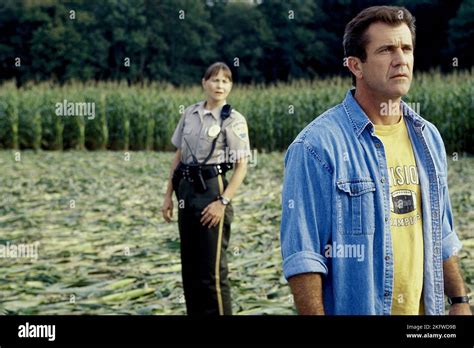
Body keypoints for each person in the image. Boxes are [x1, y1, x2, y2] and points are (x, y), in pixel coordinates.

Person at [280, 6, 471, 315]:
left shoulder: (428, 137)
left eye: (406, 48)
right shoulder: (316, 146)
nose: (401, 59)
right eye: (386, 50)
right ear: (356, 65)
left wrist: (460, 300)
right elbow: (304, 256)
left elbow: (441, 232)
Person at [162, 62, 250, 315]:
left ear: (230, 86)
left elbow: (241, 165)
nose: (219, 85)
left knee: (212, 271)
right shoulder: (190, 113)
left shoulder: (233, 119)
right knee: (190, 269)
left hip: (213, 190)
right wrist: (168, 195)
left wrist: (222, 202)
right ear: (204, 83)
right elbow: (178, 156)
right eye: (215, 80)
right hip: (186, 191)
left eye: (225, 81)